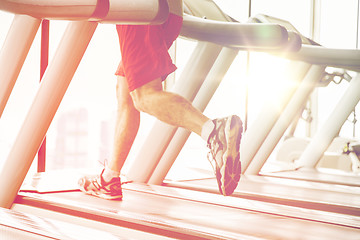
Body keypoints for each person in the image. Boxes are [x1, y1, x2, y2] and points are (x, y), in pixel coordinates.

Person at [78, 0, 243, 200]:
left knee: (144, 95)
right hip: (167, 11)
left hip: (140, 10)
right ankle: (109, 179)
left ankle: (212, 130)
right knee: (127, 90)